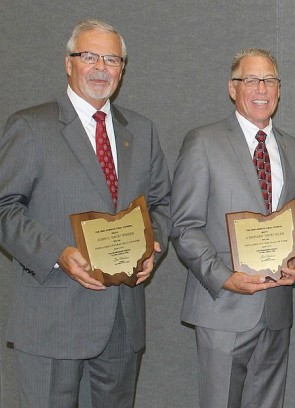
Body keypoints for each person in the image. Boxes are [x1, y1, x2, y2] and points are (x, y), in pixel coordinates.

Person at [0, 19, 171, 407]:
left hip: (121, 323)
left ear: (122, 70)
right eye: (89, 56)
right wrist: (57, 254)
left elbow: (162, 203)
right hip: (51, 320)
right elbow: (3, 207)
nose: (100, 67)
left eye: (111, 59)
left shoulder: (141, 131)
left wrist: (152, 248)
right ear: (68, 63)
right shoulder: (30, 125)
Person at [170, 48, 295, 408]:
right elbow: (185, 226)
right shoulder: (203, 142)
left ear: (279, 90)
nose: (261, 88)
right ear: (233, 88)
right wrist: (223, 277)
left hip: (277, 308)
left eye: (269, 80)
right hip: (223, 306)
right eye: (251, 80)